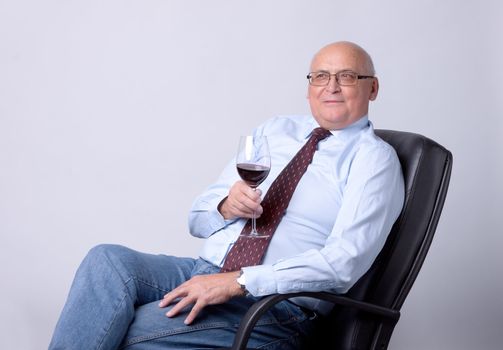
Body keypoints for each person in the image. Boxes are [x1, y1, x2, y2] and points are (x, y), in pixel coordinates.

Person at [49, 41, 404, 350]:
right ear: (309, 86)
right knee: (106, 260)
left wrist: (239, 281)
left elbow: (341, 263)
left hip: (274, 308)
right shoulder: (276, 129)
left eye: (346, 76)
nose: (332, 87)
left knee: (126, 327)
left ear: (372, 88)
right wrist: (225, 206)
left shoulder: (374, 160)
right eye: (321, 76)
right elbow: (197, 220)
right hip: (203, 270)